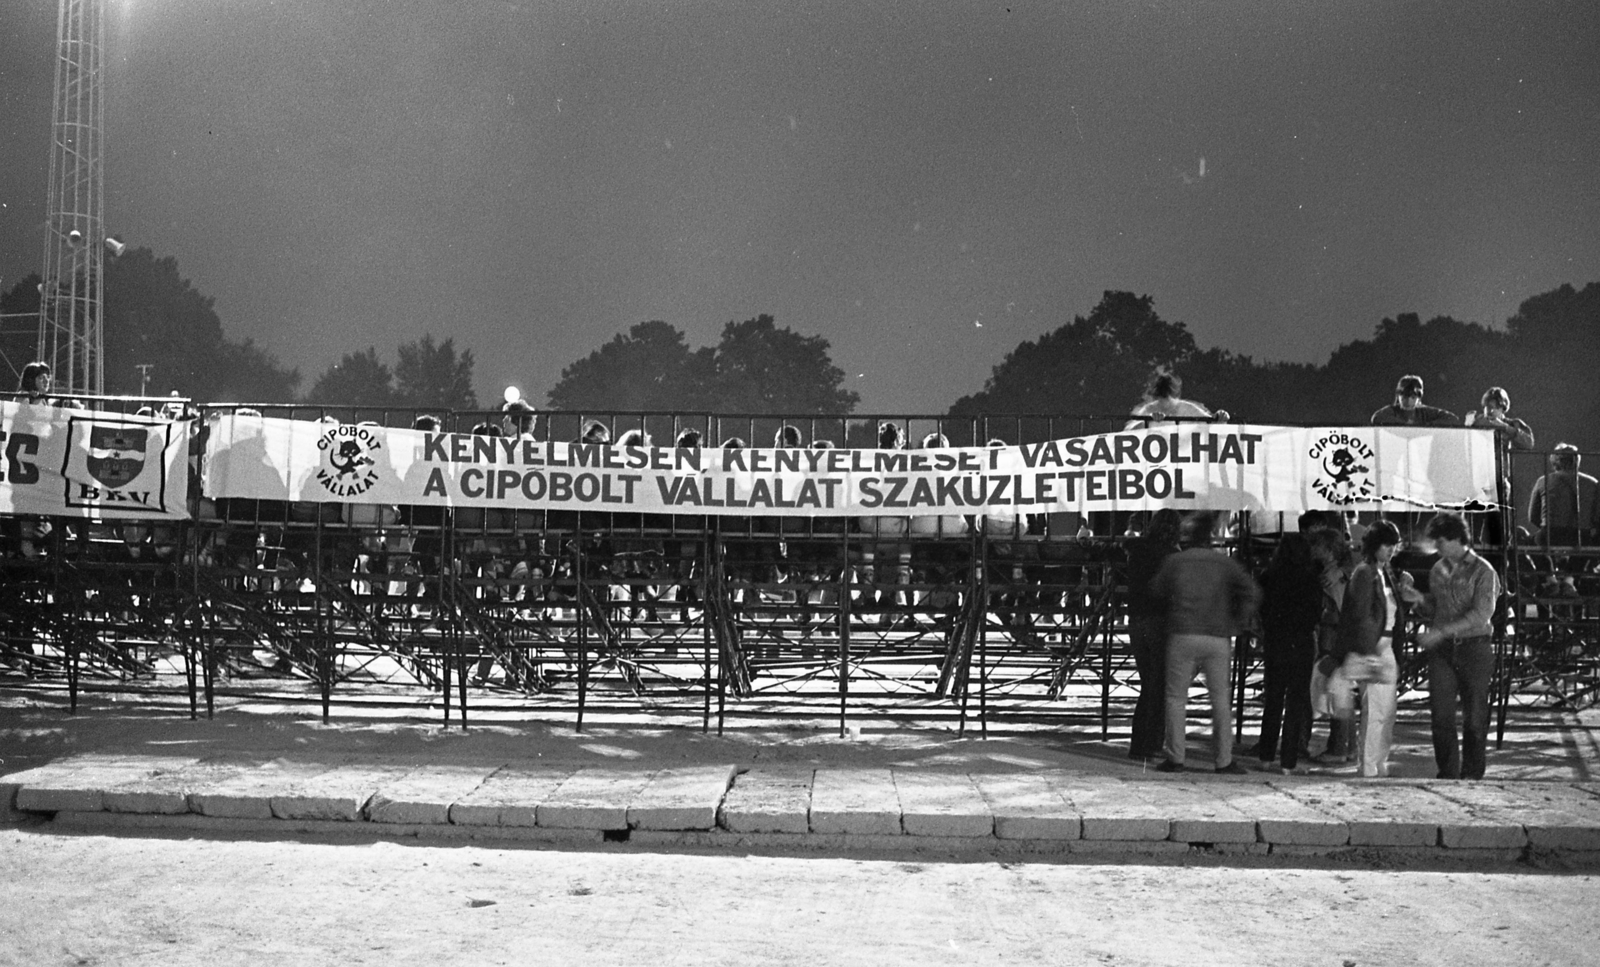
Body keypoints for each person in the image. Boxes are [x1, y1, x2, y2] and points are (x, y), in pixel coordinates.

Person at [1150, 511, 1261, 774]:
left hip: (1183, 632)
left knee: (1176, 697)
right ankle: (1223, 760)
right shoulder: (1222, 563)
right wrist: (1239, 620)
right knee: (1221, 700)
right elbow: (1252, 591)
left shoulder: (1175, 561)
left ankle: (1176, 757)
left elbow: (1156, 590)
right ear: (1210, 537)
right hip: (1217, 635)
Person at [1398, 513, 1500, 780]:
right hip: (1444, 649)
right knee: (1441, 716)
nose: (1437, 546)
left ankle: (1472, 774)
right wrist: (1419, 599)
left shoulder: (1483, 570)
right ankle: (1448, 772)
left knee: (1475, 718)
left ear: (1457, 539)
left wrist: (1441, 631)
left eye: (1441, 541)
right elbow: (1438, 609)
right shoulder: (1438, 570)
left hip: (1474, 648)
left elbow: (1481, 614)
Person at [1329, 520, 1407, 778]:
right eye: (1387, 545)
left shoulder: (1381, 572)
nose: (1391, 550)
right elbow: (1360, 615)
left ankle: (1375, 763)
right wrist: (1367, 648)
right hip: (1374, 647)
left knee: (1385, 712)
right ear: (1375, 545)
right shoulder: (1366, 573)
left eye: (1393, 545)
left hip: (1382, 647)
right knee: (1377, 711)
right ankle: (1370, 765)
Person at [1253, 532, 1323, 773]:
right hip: (1301, 642)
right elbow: (1316, 613)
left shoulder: (1268, 577)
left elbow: (1262, 610)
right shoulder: (1311, 579)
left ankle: (1265, 755)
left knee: (1273, 700)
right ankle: (1288, 761)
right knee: (1295, 703)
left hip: (1276, 642)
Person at [1122, 508, 1182, 759]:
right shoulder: (1173, 555)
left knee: (1149, 683)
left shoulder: (1137, 549)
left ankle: (1141, 743)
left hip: (1136, 620)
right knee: (1157, 685)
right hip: (1160, 621)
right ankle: (1148, 744)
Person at [1463, 387, 1533, 547]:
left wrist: (1504, 427)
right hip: (1478, 480)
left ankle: (1498, 558)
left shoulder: (1511, 423)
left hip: (1499, 479)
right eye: (1487, 407)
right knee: (1471, 525)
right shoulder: (1478, 421)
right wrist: (1467, 428)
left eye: (1494, 407)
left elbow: (1528, 443)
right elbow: (1463, 444)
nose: (1489, 411)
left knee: (1498, 528)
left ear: (1503, 408)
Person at [1528, 443, 1599, 548]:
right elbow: (1597, 517)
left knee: (1526, 541)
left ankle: (1548, 564)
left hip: (1550, 535)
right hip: (1581, 536)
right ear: (1577, 460)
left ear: (1555, 461)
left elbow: (1532, 516)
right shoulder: (1593, 483)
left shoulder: (1544, 481)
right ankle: (1573, 565)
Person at [1125, 370, 1229, 430]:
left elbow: (1211, 424)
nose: (1165, 404)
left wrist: (1221, 416)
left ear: (1176, 395)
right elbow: (1127, 433)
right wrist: (1148, 422)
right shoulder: (1149, 410)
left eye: (1168, 397)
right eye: (1161, 398)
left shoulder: (1187, 409)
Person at [1370, 374, 1457, 427]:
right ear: (1398, 396)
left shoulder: (1425, 413)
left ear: (1419, 397)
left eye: (1412, 397)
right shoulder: (1392, 411)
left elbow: (1452, 419)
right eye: (1404, 396)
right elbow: (1377, 417)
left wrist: (1424, 427)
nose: (1408, 401)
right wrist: (1409, 426)